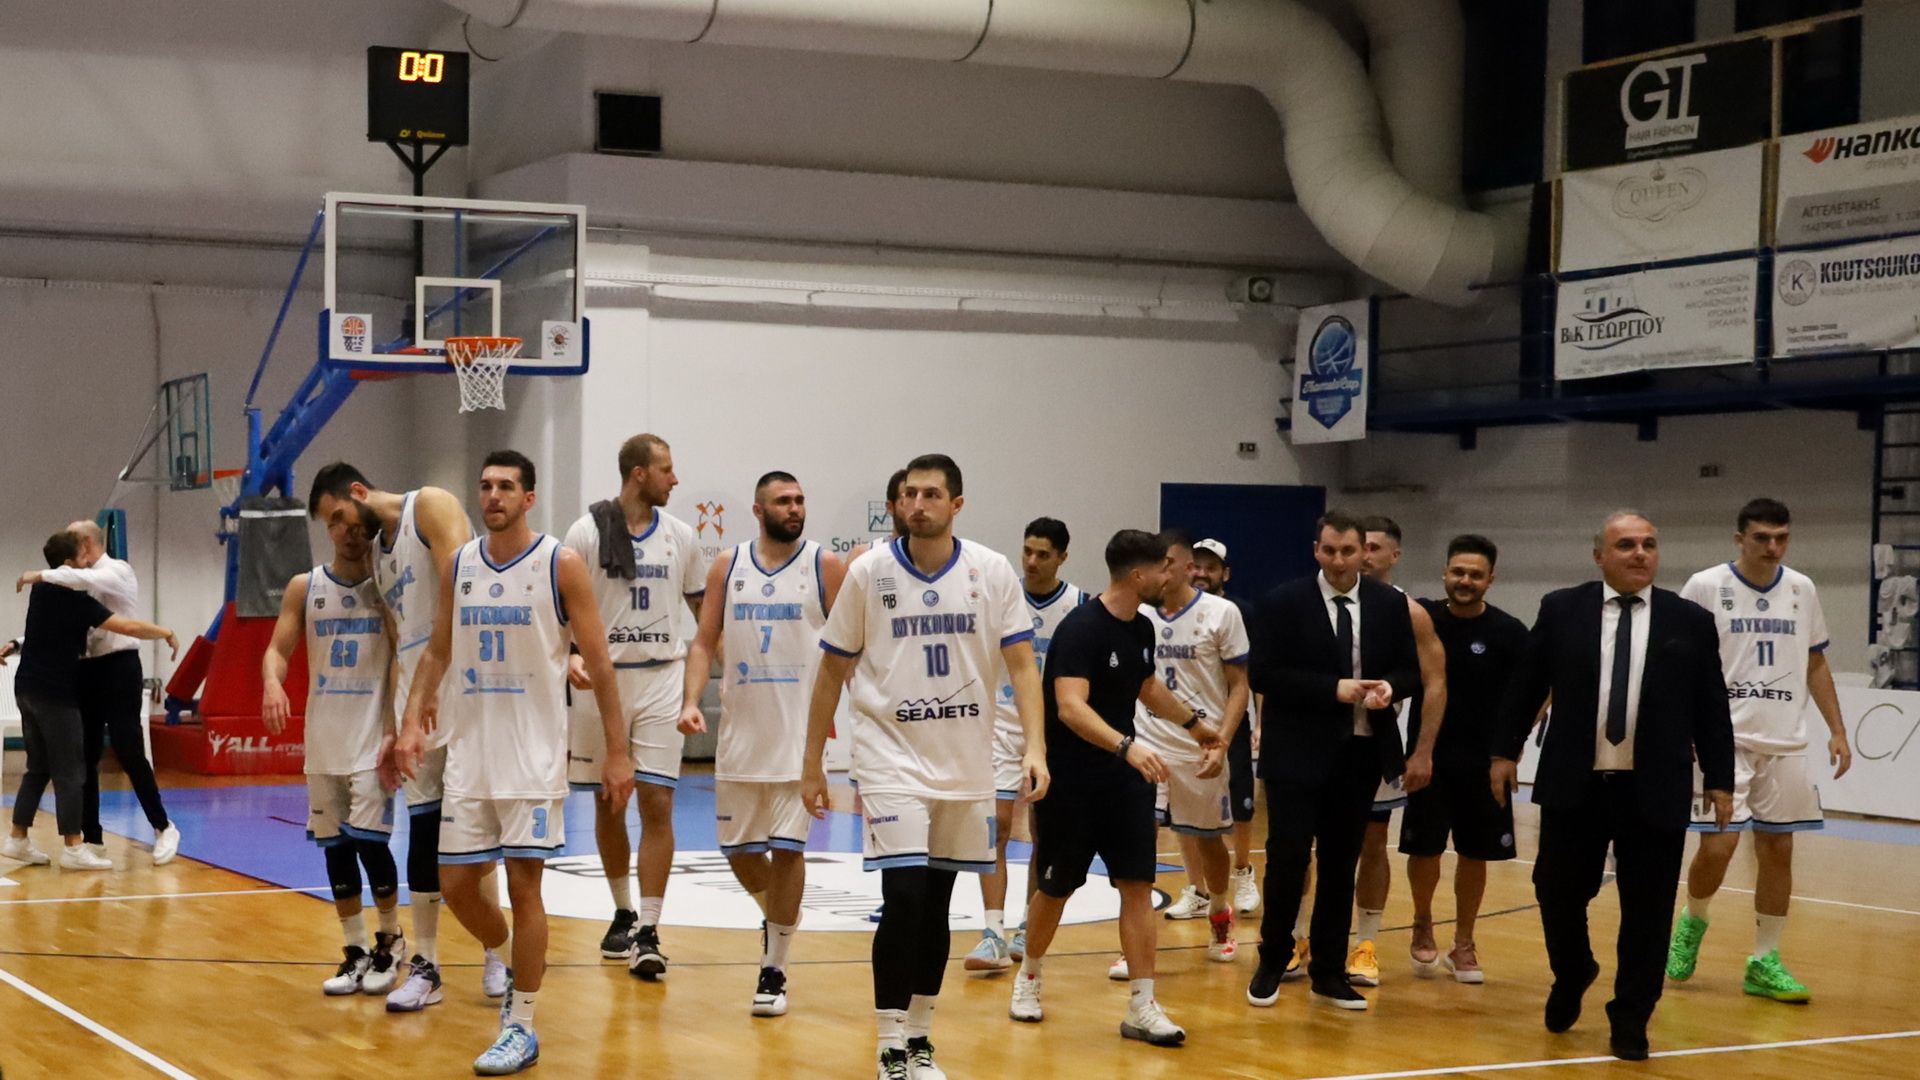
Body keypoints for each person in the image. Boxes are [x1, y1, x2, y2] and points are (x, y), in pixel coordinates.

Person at [800, 453, 1047, 1080]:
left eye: (931, 494)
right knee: (904, 896)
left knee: (937, 903)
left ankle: (920, 1039)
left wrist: (1036, 748)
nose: (917, 504)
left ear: (956, 504)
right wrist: (811, 763)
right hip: (890, 761)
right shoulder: (869, 572)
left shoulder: (991, 571)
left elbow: (1023, 667)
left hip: (964, 764)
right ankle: (889, 1045)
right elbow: (830, 670)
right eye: (909, 494)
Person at [394, 450, 631, 1076]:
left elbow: (600, 665)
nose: (492, 495)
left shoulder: (561, 564)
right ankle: (508, 953)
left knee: (526, 889)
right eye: (485, 486)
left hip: (532, 759)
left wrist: (617, 751)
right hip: (470, 755)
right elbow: (437, 650)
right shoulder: (460, 565)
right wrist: (412, 722)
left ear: (529, 498)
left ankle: (521, 1025)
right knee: (455, 885)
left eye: (505, 486)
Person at [1492, 509, 1735, 1061]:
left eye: (1649, 544)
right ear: (1599, 555)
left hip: (1655, 787)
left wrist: (1721, 780)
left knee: (1648, 911)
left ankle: (1631, 1017)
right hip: (1575, 783)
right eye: (1626, 545)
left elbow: (1711, 706)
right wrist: (1504, 751)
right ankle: (1573, 970)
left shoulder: (1689, 620)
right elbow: (1526, 683)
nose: (1640, 553)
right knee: (1555, 891)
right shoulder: (1562, 609)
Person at [1009, 528, 1219, 1046]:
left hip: (1123, 785)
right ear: (1139, 574)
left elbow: (1146, 686)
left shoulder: (1142, 627)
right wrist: (1128, 746)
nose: (1172, 576)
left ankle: (1143, 1004)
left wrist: (1195, 725)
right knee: (1056, 888)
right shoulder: (1080, 629)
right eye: (1165, 568)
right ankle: (1029, 976)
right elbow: (1070, 708)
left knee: (1137, 887)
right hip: (1072, 782)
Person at [306, 463, 483, 1010]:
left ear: (359, 492)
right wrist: (396, 722)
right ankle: (426, 963)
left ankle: (497, 950)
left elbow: (464, 590)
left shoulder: (429, 504)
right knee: (424, 833)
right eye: (332, 525)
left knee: (479, 831)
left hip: (464, 691)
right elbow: (401, 641)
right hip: (417, 703)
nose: (343, 530)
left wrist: (431, 678)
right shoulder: (379, 560)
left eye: (341, 514)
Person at [1667, 498, 1851, 1002]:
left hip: (1785, 740)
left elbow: (1815, 662)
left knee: (1778, 848)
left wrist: (1837, 728)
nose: (1773, 547)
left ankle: (1765, 960)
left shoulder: (1802, 588)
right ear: (1739, 539)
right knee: (1719, 846)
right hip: (1721, 742)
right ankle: (1693, 920)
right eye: (1762, 538)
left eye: (1781, 538)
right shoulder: (1706, 586)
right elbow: (1677, 661)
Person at [679, 470, 845, 1016]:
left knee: (789, 850)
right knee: (741, 853)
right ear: (758, 510)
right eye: (783, 501)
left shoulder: (823, 565)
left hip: (799, 740)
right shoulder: (728, 566)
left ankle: (775, 966)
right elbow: (703, 641)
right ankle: (780, 918)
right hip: (741, 737)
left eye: (799, 500)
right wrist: (690, 700)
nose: (794, 508)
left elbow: (851, 648)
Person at [1244, 510, 1419, 1013]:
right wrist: (1332, 689)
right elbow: (1263, 674)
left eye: (1348, 551)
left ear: (1364, 552)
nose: (1339, 560)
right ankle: (1273, 960)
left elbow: (1410, 670)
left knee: (1342, 863)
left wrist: (1390, 687)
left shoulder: (1389, 603)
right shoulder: (1283, 601)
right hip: (1295, 753)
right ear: (1316, 550)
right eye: (1329, 550)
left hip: (1360, 751)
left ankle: (1329, 970)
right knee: (1288, 858)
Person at [561, 433, 707, 977]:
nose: (675, 478)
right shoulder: (586, 531)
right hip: (603, 681)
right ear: (639, 473)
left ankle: (649, 927)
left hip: (662, 674)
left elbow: (704, 614)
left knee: (658, 803)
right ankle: (621, 909)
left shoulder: (682, 536)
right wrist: (570, 656)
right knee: (609, 802)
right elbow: (561, 608)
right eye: (666, 469)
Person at [260, 508, 407, 997]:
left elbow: (403, 657)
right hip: (323, 739)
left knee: (372, 846)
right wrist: (272, 684)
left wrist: (395, 729)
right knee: (337, 850)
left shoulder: (388, 587)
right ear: (328, 527)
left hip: (372, 740)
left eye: (360, 525)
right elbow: (277, 650)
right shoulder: (305, 587)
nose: (351, 533)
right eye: (340, 523)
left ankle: (391, 940)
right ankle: (356, 949)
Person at [2, 531, 176, 870]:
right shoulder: (77, 601)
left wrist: (15, 642)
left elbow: (47, 631)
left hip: (27, 687)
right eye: (81, 559)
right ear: (70, 565)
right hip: (55, 693)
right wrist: (165, 632)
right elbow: (128, 627)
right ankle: (74, 846)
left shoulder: (43, 591)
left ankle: (17, 838)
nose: (87, 563)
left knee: (39, 767)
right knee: (72, 769)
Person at [1401, 535, 1528, 982]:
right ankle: (1422, 922)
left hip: (1484, 764)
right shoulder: (1424, 619)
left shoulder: (1509, 632)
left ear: (1490, 580)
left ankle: (1464, 942)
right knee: (1425, 849)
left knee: (1475, 854)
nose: (1465, 581)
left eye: (1475, 574)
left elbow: (1536, 690)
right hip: (1429, 758)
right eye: (1458, 572)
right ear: (1444, 573)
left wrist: (1510, 749)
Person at [966, 516, 1086, 973]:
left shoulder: (1078, 606)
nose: (1032, 561)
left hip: (1052, 730)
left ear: (1062, 558)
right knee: (994, 827)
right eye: (1027, 551)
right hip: (1000, 723)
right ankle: (992, 932)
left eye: (1043, 555)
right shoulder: (1001, 596)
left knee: (1043, 834)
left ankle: (1026, 927)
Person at [1125, 531, 1249, 971]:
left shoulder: (1222, 613)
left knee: (1209, 840)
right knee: (1138, 841)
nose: (1162, 570)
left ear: (1185, 567)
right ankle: (1133, 943)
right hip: (1148, 743)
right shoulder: (1138, 613)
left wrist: (1223, 743)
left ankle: (1219, 914)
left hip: (1201, 746)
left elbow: (1239, 686)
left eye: (1169, 563)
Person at [1349, 515, 1446, 988]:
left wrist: (1423, 750)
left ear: (1395, 555)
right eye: (1359, 546)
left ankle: (1365, 945)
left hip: (1377, 743)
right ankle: (1299, 939)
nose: (1364, 555)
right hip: (1319, 743)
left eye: (1374, 547)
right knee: (1306, 846)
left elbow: (1435, 682)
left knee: (1372, 844)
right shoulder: (1316, 602)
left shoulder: (1408, 611)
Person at [1190, 538, 1261, 915]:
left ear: (1225, 573)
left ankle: (1243, 871)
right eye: (1196, 565)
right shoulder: (1171, 610)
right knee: (1186, 809)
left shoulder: (1240, 612)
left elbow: (1254, 676)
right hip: (1183, 725)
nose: (1202, 573)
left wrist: (1261, 723)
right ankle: (1197, 889)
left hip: (1229, 722)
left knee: (1241, 801)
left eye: (1211, 567)